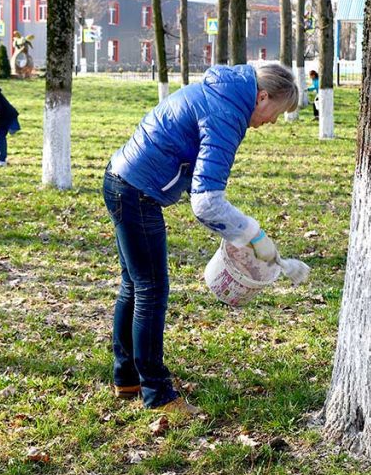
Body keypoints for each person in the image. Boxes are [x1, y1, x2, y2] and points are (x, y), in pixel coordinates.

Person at [104, 63, 299, 415]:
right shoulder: (227, 112)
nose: (272, 122)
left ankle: (127, 377)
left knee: (133, 285)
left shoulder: (223, 95)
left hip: (121, 180)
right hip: (136, 192)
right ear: (263, 96)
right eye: (276, 112)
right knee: (150, 290)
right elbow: (207, 201)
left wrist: (243, 231)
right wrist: (254, 235)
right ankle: (158, 394)